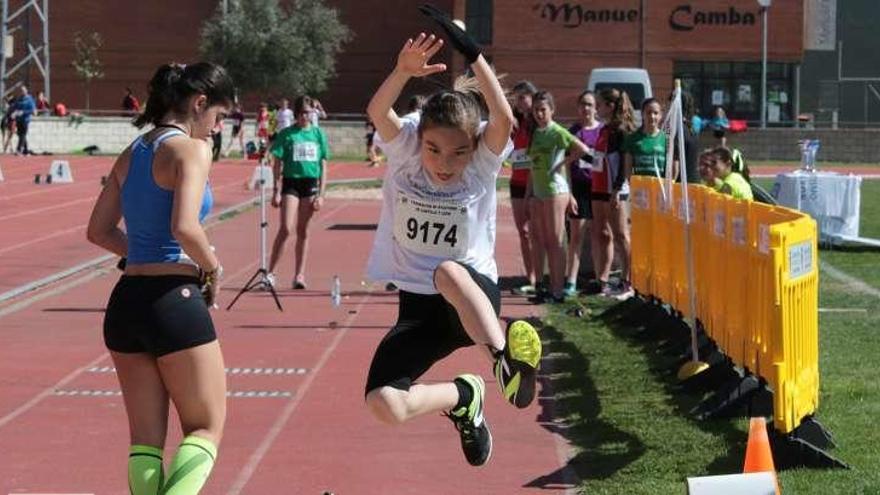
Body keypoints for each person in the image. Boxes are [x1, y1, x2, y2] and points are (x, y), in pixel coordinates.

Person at [364, 6, 542, 468]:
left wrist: (475, 56)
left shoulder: (482, 165)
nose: (445, 163)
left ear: (475, 146)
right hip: (421, 315)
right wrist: (402, 72)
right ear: (418, 139)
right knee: (384, 403)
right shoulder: (403, 153)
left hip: (474, 299)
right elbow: (377, 111)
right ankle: (464, 397)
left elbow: (502, 117)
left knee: (447, 271)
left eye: (458, 152)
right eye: (434, 150)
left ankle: (502, 362)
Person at [85, 62, 234, 495]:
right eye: (219, 118)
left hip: (126, 303)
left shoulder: (132, 152)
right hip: (174, 301)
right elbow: (185, 227)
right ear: (199, 103)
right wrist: (211, 267)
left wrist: (145, 254)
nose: (217, 130)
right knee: (205, 428)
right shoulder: (191, 149)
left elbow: (98, 231)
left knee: (146, 442)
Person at [526, 91, 589, 303]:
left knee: (555, 240)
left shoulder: (557, 132)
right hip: (540, 191)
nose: (539, 114)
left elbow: (582, 149)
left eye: (543, 109)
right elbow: (533, 164)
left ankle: (558, 290)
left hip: (555, 191)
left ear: (552, 110)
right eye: (536, 110)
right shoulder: (536, 133)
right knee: (543, 240)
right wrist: (530, 192)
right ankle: (546, 287)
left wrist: (562, 163)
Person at [267, 95, 330, 290]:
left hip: (310, 184)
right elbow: (277, 163)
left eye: (308, 112)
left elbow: (324, 165)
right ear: (295, 114)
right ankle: (271, 273)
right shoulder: (286, 134)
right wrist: (276, 190)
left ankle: (299, 275)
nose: (304, 116)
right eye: (301, 113)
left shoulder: (318, 134)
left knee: (303, 230)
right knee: (286, 228)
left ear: (312, 113)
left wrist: (321, 194)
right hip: (291, 183)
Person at [590, 88, 637, 299]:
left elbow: (623, 165)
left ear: (610, 106)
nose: (596, 109)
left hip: (616, 190)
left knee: (621, 235)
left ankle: (628, 281)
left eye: (599, 105)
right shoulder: (604, 129)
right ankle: (604, 279)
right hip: (599, 188)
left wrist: (618, 189)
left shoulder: (621, 131)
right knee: (604, 234)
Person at [565, 90, 602, 297]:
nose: (586, 108)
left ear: (595, 108)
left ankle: (598, 278)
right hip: (578, 188)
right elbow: (566, 166)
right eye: (583, 104)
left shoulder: (602, 131)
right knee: (576, 236)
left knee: (598, 234)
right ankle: (571, 280)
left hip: (597, 188)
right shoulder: (572, 132)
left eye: (590, 104)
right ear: (579, 108)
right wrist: (569, 193)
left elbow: (604, 161)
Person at [507, 80, 538, 297]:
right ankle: (531, 278)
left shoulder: (538, 123)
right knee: (524, 232)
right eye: (516, 98)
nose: (519, 102)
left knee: (537, 233)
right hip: (517, 182)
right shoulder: (514, 123)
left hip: (536, 184)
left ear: (531, 97)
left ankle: (541, 277)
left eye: (523, 97)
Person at [12, 86, 36, 155]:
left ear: (26, 91)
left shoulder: (30, 99)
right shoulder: (19, 99)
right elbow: (15, 107)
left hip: (25, 120)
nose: (22, 92)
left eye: (23, 90)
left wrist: (23, 112)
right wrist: (14, 112)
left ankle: (19, 149)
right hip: (19, 119)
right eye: (21, 90)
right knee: (20, 135)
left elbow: (33, 111)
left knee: (23, 134)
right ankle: (25, 150)